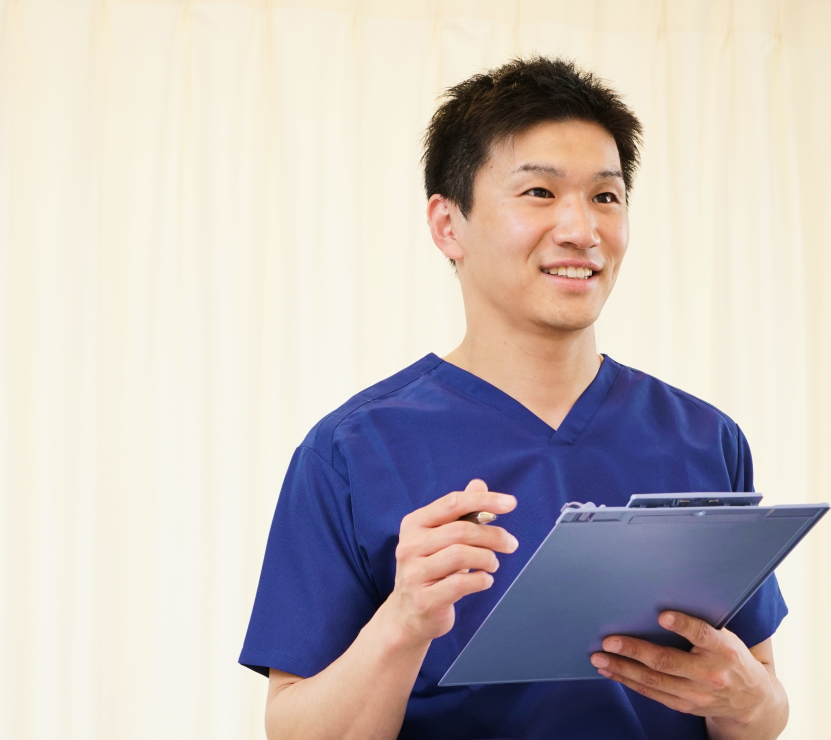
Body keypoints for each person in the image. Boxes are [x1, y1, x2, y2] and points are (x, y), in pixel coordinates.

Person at [240, 56, 790, 740]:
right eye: (539, 192)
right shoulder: (350, 452)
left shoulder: (704, 439)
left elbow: (759, 707)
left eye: (606, 197)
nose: (582, 229)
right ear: (448, 224)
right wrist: (403, 621)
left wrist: (751, 701)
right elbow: (295, 729)